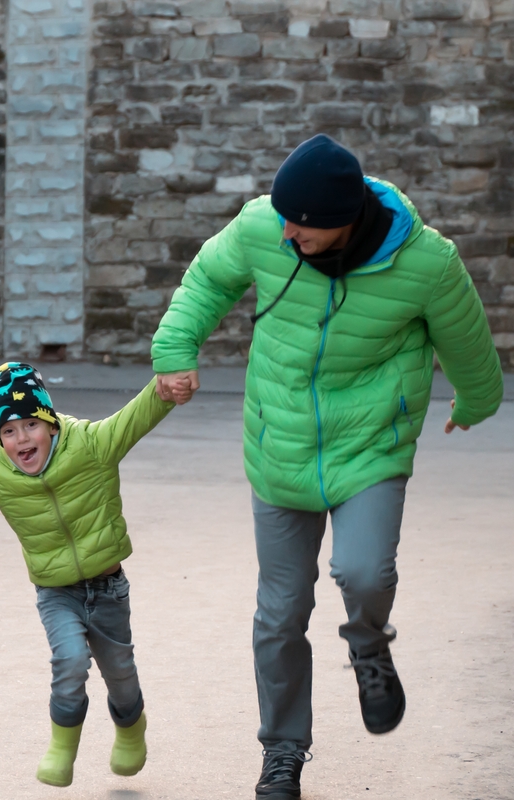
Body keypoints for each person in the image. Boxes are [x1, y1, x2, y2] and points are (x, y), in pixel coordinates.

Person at [151, 134, 504, 800]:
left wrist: (476, 401)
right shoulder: (264, 227)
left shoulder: (425, 263)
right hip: (278, 444)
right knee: (279, 614)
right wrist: (174, 348)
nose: (287, 232)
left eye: (303, 223)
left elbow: (468, 340)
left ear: (345, 217)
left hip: (370, 442)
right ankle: (282, 751)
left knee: (363, 571)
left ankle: (368, 643)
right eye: (282, 216)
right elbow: (207, 281)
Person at [0, 363, 174, 787]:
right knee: (70, 661)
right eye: (8, 430)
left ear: (51, 423)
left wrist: (165, 385)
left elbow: (137, 416)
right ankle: (62, 747)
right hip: (57, 593)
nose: (21, 438)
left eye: (29, 424)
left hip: (109, 587)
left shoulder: (93, 445)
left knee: (120, 672)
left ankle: (132, 729)